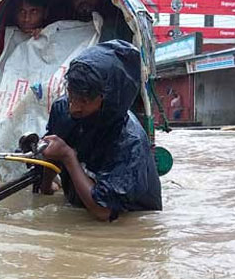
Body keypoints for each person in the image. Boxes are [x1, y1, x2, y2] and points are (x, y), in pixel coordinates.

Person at [40, 40, 162, 221]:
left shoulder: (130, 140)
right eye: (72, 95)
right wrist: (45, 188)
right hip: (80, 210)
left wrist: (68, 155)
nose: (74, 108)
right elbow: (52, 155)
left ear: (109, 97)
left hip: (127, 221)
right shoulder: (62, 109)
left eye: (84, 101)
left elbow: (104, 212)